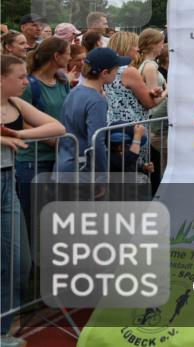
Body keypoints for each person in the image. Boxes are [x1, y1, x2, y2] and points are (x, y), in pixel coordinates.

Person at [2, 53, 66, 341]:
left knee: (19, 261)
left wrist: (23, 136)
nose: (25, 81)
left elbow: (57, 127)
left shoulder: (16, 103)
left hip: (7, 185)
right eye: (20, 77)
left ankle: (3, 329)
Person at [17, 37, 72, 229]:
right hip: (33, 160)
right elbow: (20, 120)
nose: (70, 57)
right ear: (56, 56)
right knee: (32, 216)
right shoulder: (29, 85)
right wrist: (49, 138)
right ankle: (30, 258)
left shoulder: (62, 82)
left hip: (59, 158)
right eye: (68, 53)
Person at [57, 48, 132, 174]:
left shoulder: (74, 91)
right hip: (82, 169)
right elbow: (96, 141)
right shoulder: (96, 100)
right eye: (116, 69)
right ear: (104, 73)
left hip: (64, 163)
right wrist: (102, 175)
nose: (117, 72)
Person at [135, 30, 167, 191]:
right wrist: (168, 91)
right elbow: (152, 100)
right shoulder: (150, 66)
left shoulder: (146, 64)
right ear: (153, 45)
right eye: (161, 42)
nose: (163, 46)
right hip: (153, 121)